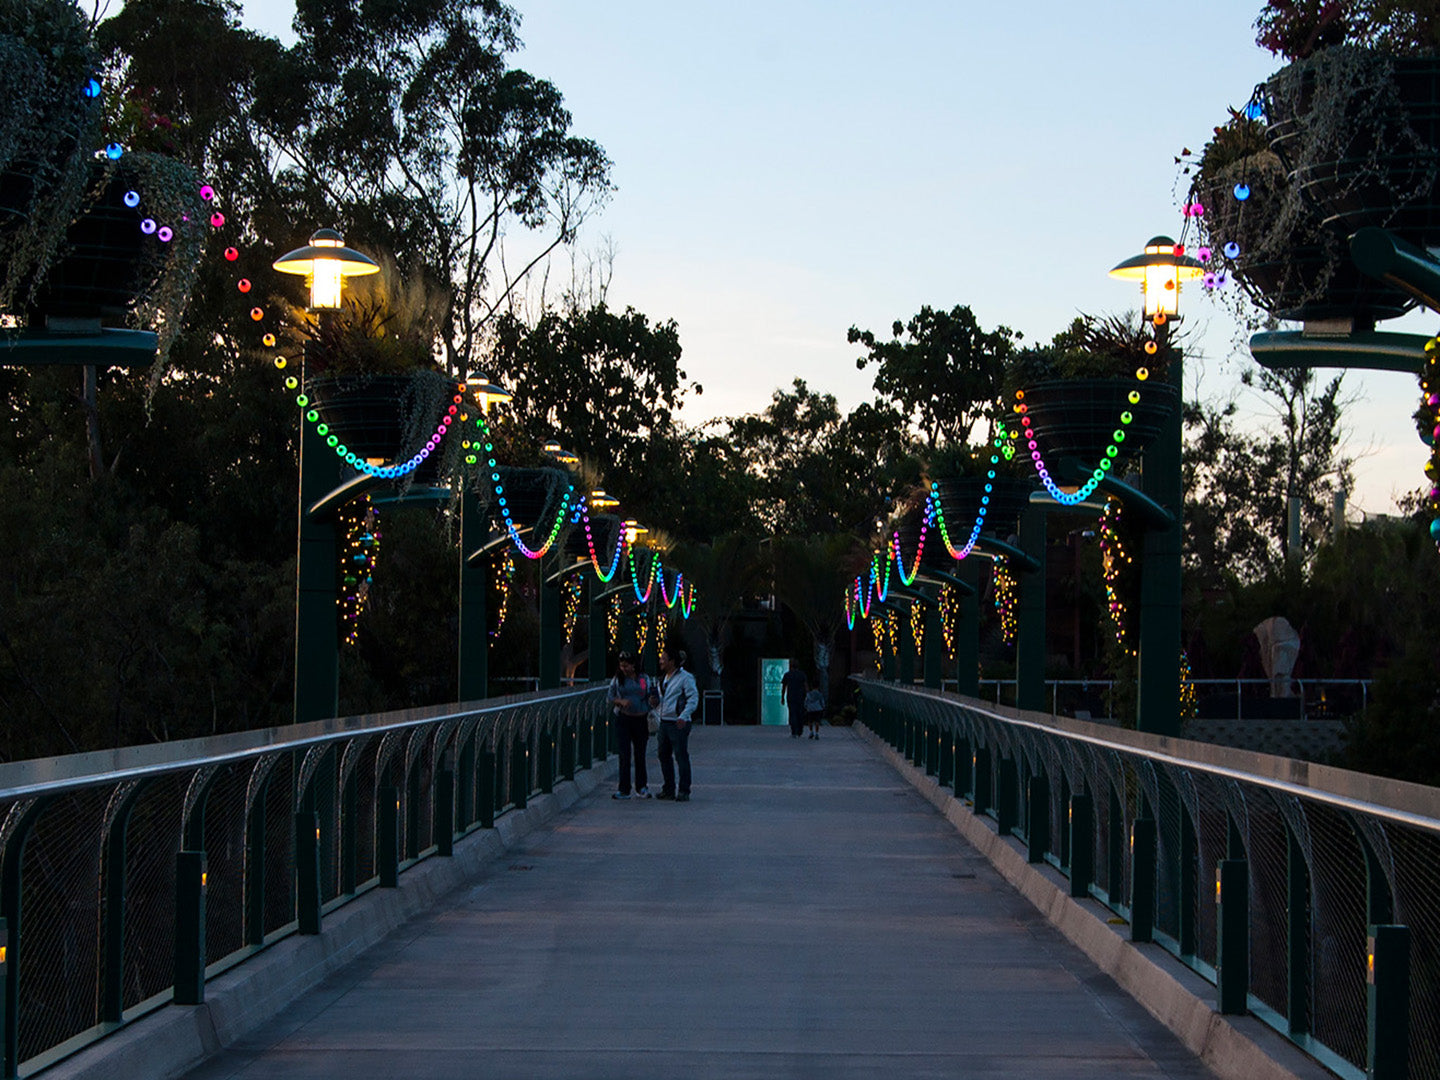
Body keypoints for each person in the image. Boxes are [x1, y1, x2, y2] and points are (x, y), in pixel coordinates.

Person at [650, 645, 698, 801]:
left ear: (672, 661)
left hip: (678, 722)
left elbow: (693, 698)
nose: (660, 661)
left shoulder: (686, 678)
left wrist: (683, 716)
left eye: (663, 658)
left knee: (680, 755)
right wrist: (655, 704)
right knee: (663, 755)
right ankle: (668, 788)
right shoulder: (662, 679)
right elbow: (662, 701)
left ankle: (684, 790)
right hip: (664, 721)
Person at [606, 651, 652, 799]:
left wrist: (651, 701)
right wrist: (620, 702)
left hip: (640, 719)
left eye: (626, 666)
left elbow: (647, 692)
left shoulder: (643, 679)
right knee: (624, 755)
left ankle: (641, 786)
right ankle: (624, 788)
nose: (623, 669)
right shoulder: (618, 680)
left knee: (640, 754)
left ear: (633, 665)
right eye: (621, 666)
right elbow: (610, 696)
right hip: (624, 719)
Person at [780, 659, 807, 738]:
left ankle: (794, 731)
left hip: (791, 697)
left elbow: (784, 687)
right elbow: (805, 685)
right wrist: (807, 695)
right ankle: (800, 730)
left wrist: (782, 697)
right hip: (800, 697)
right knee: (800, 713)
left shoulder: (787, 675)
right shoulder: (802, 674)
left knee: (792, 714)